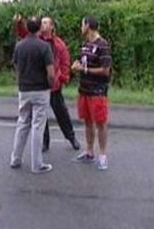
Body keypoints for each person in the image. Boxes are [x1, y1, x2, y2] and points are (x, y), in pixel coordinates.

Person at [14, 14, 81, 151]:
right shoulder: (36, 40)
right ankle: (45, 142)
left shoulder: (59, 44)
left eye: (46, 23)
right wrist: (19, 22)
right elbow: (24, 33)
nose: (43, 25)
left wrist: (63, 77)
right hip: (40, 84)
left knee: (61, 113)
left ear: (51, 26)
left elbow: (65, 62)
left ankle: (71, 137)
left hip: (54, 85)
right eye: (42, 22)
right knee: (40, 116)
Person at [10, 16, 55, 173]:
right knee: (37, 126)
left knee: (22, 122)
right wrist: (51, 83)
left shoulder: (19, 46)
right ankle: (37, 164)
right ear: (39, 29)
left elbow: (16, 66)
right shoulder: (44, 47)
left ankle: (15, 158)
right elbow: (50, 71)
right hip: (40, 89)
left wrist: (21, 80)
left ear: (27, 28)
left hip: (24, 89)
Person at [71, 16, 112, 171]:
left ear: (88, 25)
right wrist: (77, 66)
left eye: (82, 24)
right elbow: (83, 64)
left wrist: (85, 69)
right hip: (84, 90)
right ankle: (89, 151)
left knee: (100, 123)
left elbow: (105, 70)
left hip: (97, 91)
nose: (81, 28)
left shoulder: (103, 45)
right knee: (87, 121)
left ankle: (102, 155)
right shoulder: (85, 45)